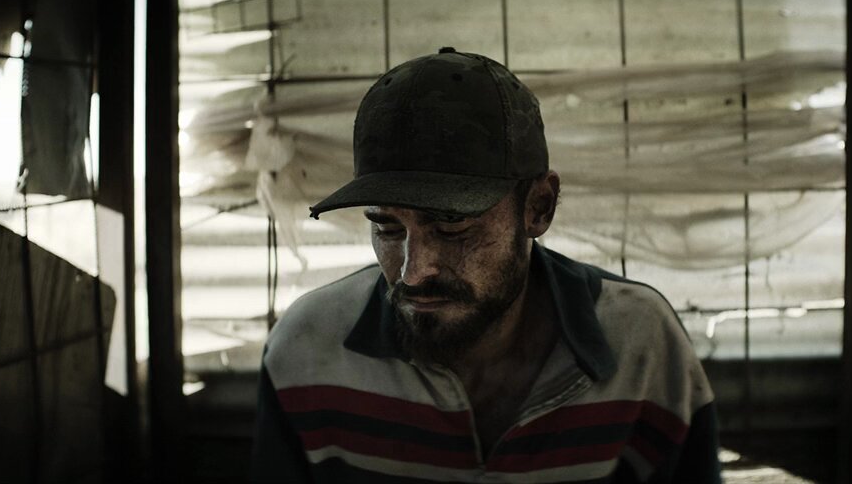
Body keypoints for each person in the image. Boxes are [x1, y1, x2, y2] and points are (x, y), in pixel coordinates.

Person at [250, 47, 721, 483]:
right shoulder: (308, 350)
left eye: (452, 224)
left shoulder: (642, 345)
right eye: (388, 227)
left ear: (538, 207)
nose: (414, 272)